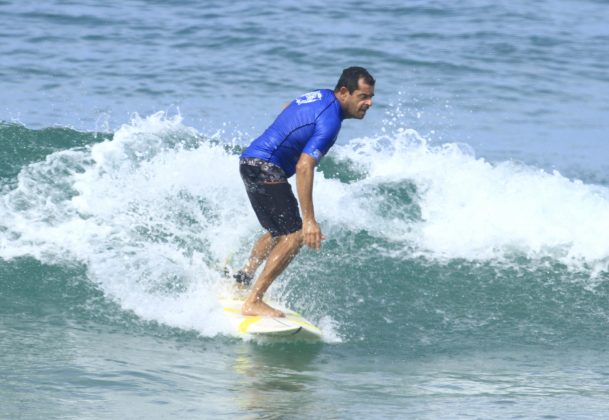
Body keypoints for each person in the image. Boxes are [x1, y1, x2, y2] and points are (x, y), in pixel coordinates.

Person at [234, 66, 375, 317]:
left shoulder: (320, 95)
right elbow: (304, 166)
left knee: (278, 231)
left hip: (249, 161)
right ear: (344, 92)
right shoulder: (331, 122)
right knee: (295, 235)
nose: (369, 103)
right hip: (268, 167)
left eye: (370, 96)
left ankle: (242, 279)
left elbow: (289, 106)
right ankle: (253, 301)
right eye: (363, 96)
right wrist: (309, 220)